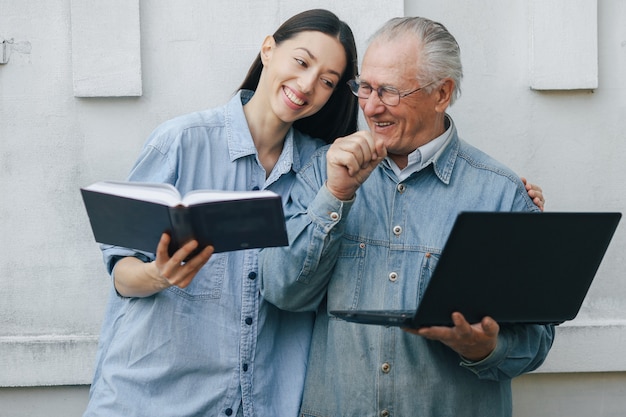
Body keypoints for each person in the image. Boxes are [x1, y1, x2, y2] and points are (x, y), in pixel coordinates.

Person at [259, 16, 554, 417]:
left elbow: (536, 341)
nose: (371, 106)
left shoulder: (502, 194)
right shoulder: (322, 173)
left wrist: (485, 348)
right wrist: (336, 196)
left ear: (441, 93)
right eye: (364, 87)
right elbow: (281, 291)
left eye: (389, 91)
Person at [83, 9, 360, 417]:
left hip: (263, 401)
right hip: (152, 401)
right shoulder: (181, 141)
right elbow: (123, 274)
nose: (306, 86)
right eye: (301, 62)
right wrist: (159, 275)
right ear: (268, 49)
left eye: (327, 82)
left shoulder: (322, 172)